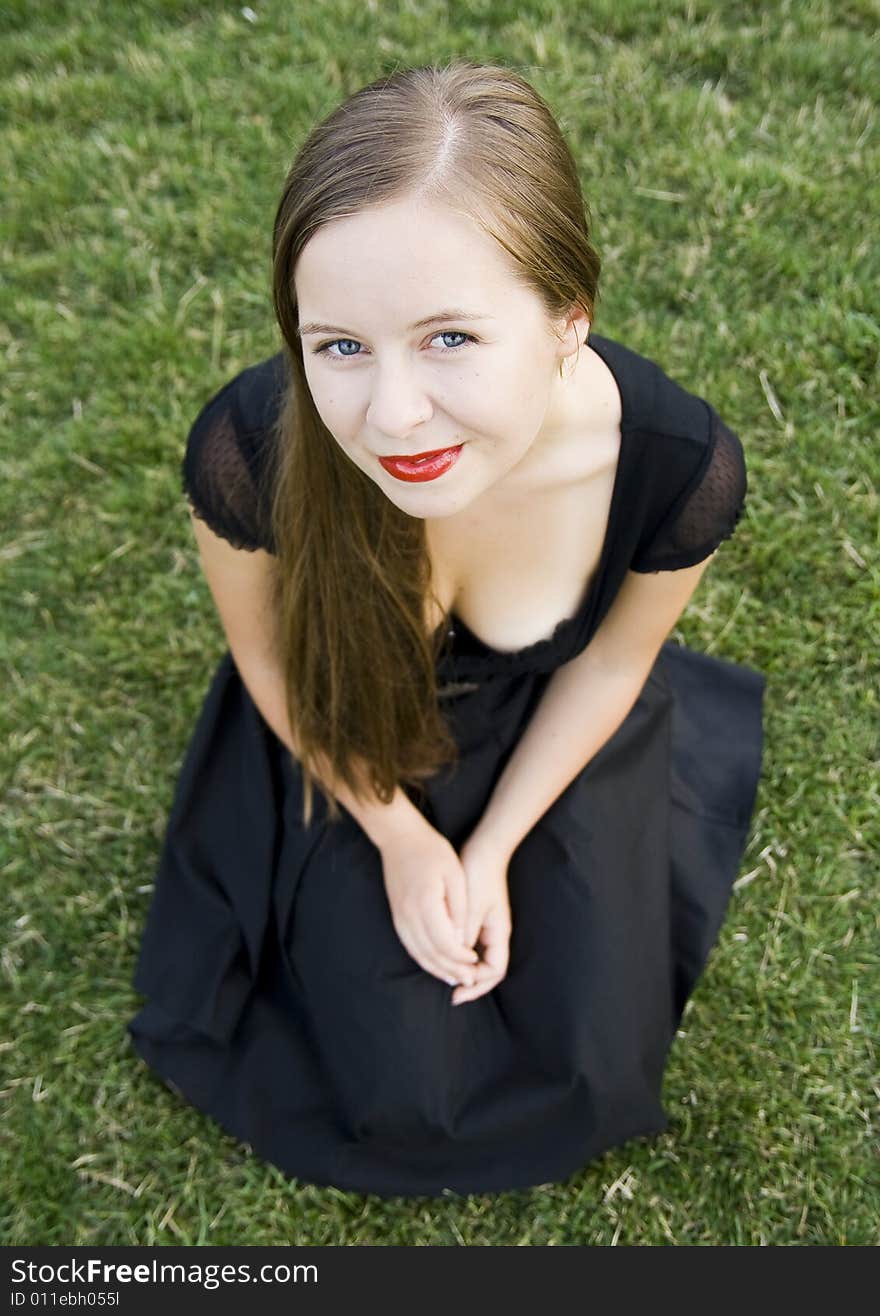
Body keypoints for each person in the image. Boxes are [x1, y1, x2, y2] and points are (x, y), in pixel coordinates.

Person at [128, 60, 766, 1198]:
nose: (392, 414)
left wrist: (492, 844)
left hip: (550, 722)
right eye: (340, 345)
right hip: (347, 723)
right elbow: (268, 655)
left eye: (450, 339)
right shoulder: (251, 448)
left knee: (578, 1050)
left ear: (568, 318)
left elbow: (617, 656)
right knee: (391, 1077)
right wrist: (399, 835)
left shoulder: (679, 468)